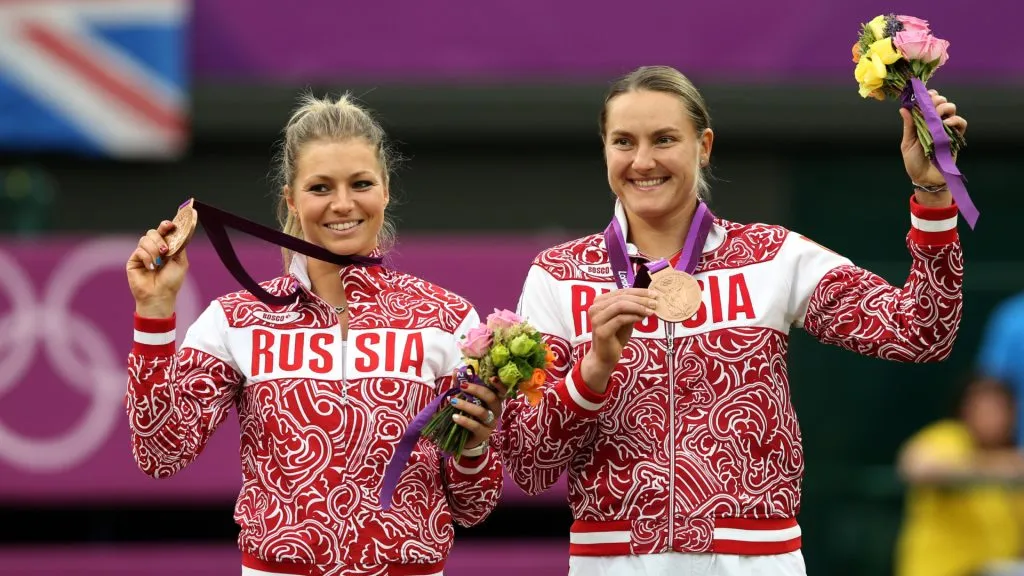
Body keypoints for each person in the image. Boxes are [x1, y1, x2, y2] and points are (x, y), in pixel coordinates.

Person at [498, 65, 966, 576]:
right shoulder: (558, 276)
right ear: (605, 150)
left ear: (704, 146)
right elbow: (530, 463)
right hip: (614, 561)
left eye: (665, 139)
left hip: (755, 560)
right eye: (623, 141)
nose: (643, 161)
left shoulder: (772, 256)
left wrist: (933, 194)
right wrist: (593, 372)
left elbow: (920, 331)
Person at [125, 93, 504, 576]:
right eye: (320, 187)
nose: (343, 203)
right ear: (291, 198)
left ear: (385, 190)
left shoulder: (447, 320)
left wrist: (474, 445)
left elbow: (474, 506)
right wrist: (154, 312)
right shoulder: (236, 319)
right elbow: (161, 452)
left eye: (360, 183)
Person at [895, 375, 1024, 576]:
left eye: (998, 409)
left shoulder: (1014, 457)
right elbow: (915, 466)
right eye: (981, 408)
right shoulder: (951, 438)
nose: (991, 417)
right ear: (965, 412)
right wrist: (994, 468)